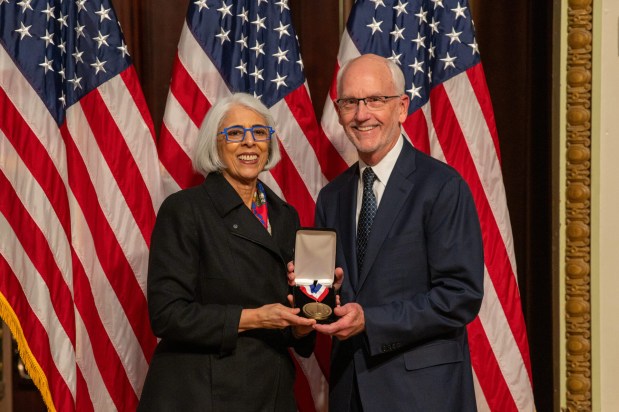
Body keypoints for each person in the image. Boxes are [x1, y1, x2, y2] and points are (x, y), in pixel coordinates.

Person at [312, 54, 485, 411]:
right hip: (350, 393)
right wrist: (310, 293)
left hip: (421, 395)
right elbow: (329, 296)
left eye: (375, 100)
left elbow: (460, 296)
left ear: (402, 107)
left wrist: (369, 321)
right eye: (350, 103)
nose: (362, 114)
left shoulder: (442, 187)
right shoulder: (331, 198)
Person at [138, 93, 317, 411]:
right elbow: (167, 316)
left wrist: (304, 322)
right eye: (235, 133)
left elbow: (291, 325)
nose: (250, 143)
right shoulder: (185, 210)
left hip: (270, 389)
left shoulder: (284, 215)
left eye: (259, 133)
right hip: (201, 393)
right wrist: (255, 318)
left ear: (270, 143)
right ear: (215, 144)